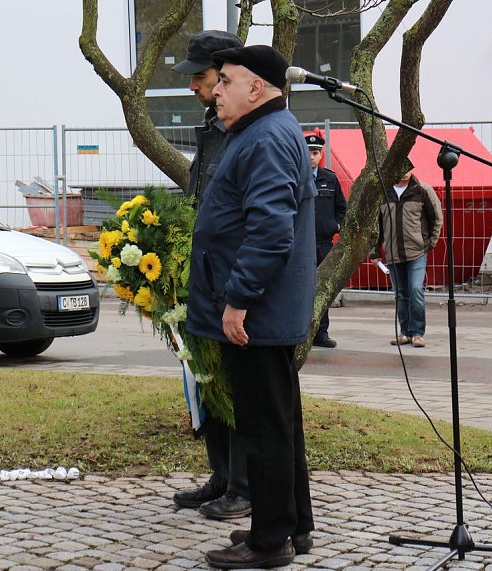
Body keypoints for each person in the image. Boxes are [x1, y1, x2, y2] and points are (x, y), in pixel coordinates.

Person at [187, 44, 316, 569]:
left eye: (226, 82)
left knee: (264, 427)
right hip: (269, 309)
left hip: (258, 312)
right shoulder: (267, 129)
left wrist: (238, 300)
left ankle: (269, 541)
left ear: (255, 88)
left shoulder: (265, 137)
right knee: (280, 424)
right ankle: (292, 525)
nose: (216, 90)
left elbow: (269, 229)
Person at [170, 30, 252, 521]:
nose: (196, 88)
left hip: (231, 281)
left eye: (201, 77)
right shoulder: (212, 126)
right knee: (207, 381)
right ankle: (222, 477)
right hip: (205, 276)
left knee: (234, 387)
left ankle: (243, 486)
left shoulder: (244, 131)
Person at [370, 168, 443, 348]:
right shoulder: (383, 192)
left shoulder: (421, 190)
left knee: (416, 289)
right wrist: (375, 252)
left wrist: (430, 243)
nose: (404, 172)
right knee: (400, 294)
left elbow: (436, 217)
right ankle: (404, 332)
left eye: (408, 168)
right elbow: (375, 226)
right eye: (400, 167)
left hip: (417, 252)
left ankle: (418, 332)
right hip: (393, 254)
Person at [305, 130, 346, 348]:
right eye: (307, 152)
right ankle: (303, 332)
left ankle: (321, 332)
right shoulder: (293, 177)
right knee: (302, 288)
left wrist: (336, 225)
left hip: (323, 244)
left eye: (315, 153)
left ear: (321, 155)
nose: (311, 157)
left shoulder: (329, 178)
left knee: (322, 288)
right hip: (300, 245)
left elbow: (341, 207)